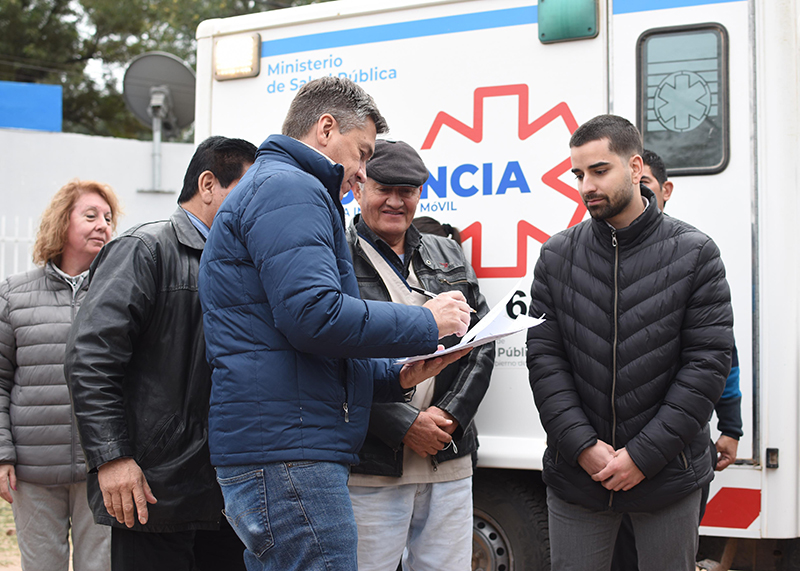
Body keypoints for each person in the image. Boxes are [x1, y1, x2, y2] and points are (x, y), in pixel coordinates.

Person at [198, 77, 473, 571]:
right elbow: (314, 316)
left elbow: (308, 344)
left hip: (284, 445)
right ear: (326, 128)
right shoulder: (290, 186)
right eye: (363, 154)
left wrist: (401, 374)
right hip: (288, 451)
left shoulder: (285, 186)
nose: (363, 172)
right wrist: (424, 323)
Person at [526, 114, 734, 571]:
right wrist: (583, 446)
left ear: (636, 166)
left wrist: (643, 455)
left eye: (599, 171)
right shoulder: (557, 255)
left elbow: (707, 364)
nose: (585, 186)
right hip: (579, 477)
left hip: (667, 476)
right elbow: (545, 360)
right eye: (578, 174)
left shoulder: (695, 252)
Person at [64, 136, 257, 571]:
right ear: (208, 184)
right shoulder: (145, 248)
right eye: (248, 191)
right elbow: (91, 359)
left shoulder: (241, 261)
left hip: (227, 489)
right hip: (154, 488)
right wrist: (112, 457)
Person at [346, 140, 494, 571]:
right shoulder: (335, 254)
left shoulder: (446, 251)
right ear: (359, 189)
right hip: (370, 466)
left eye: (407, 190)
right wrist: (404, 425)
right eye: (383, 188)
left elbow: (481, 341)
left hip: (447, 459)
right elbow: (331, 360)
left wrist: (451, 415)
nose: (395, 201)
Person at [610, 149, 744, 571]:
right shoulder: (590, 256)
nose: (639, 194)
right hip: (609, 457)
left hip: (680, 452)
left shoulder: (695, 256)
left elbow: (718, 359)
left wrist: (732, 425)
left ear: (665, 190)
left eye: (646, 185)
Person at [0, 180, 120, 571]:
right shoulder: (13, 295)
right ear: (60, 223)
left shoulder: (122, 293)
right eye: (90, 215)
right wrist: (3, 454)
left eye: (108, 217)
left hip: (101, 467)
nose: (103, 224)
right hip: (33, 470)